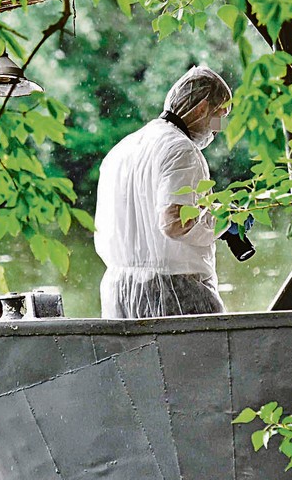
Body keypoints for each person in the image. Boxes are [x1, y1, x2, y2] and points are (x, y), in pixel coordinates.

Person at [94, 66, 233, 318]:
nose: (219, 128)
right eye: (219, 116)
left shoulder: (122, 149)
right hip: (175, 292)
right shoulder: (181, 149)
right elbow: (175, 223)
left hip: (121, 293)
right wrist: (225, 218)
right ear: (202, 107)